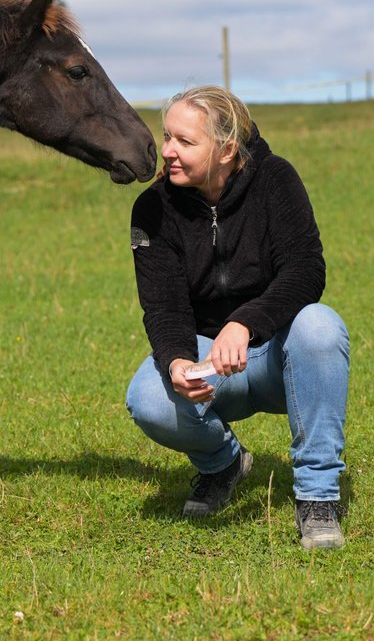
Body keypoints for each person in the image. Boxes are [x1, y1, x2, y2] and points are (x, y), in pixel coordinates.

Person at [125, 85, 350, 549]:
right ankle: (223, 464)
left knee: (320, 326)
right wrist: (176, 363)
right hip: (212, 365)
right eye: (167, 137)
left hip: (277, 357)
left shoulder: (276, 179)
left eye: (185, 142)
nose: (167, 151)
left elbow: (306, 271)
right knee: (147, 397)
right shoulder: (152, 209)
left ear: (227, 149)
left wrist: (246, 322)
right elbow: (163, 306)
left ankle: (317, 497)